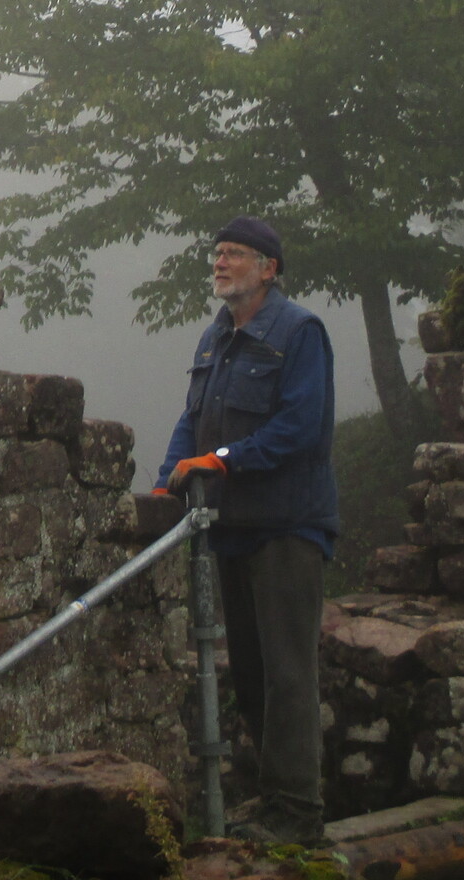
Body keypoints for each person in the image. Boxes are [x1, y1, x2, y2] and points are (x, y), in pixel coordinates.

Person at [153, 216, 338, 848]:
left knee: (288, 674)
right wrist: (167, 482)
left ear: (268, 268)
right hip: (231, 526)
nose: (220, 262)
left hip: (287, 526)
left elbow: (300, 427)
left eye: (234, 253)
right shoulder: (215, 338)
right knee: (252, 674)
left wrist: (223, 461)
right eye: (218, 252)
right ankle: (271, 801)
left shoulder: (300, 332)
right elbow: (193, 419)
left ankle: (299, 814)